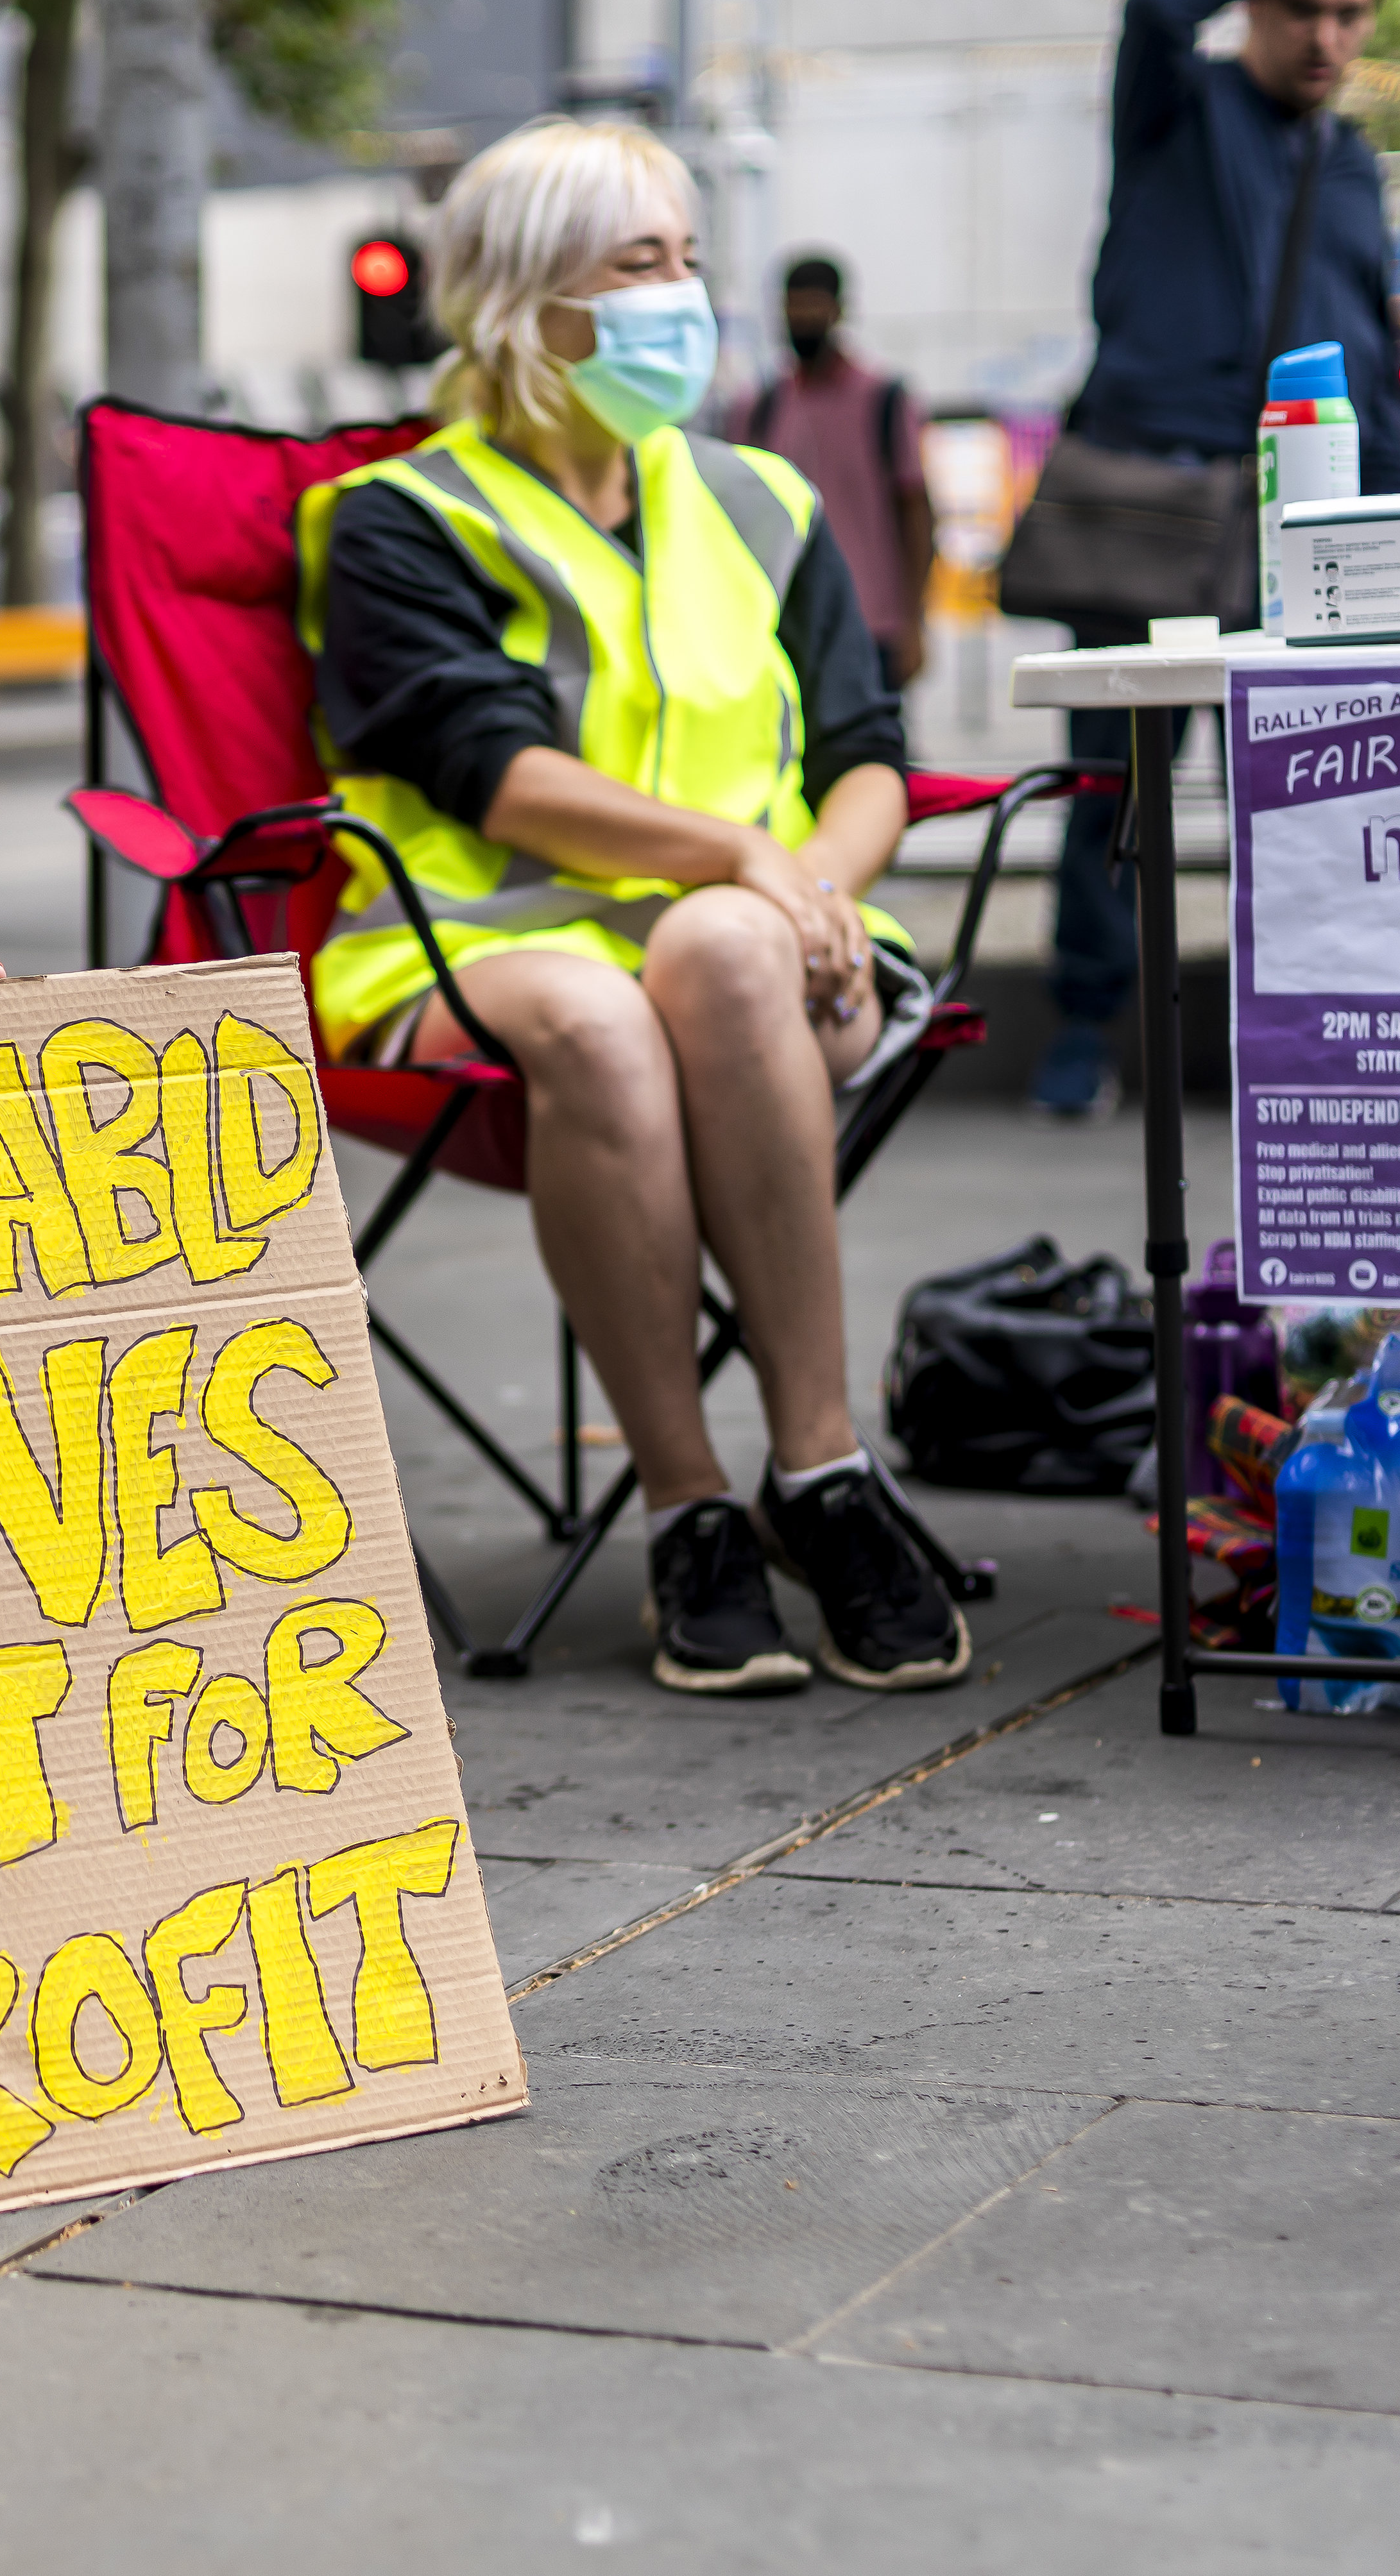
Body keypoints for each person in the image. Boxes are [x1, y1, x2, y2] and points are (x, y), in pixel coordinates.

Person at [300, 115, 968, 1700]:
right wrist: (739, 857)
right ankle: (683, 1508)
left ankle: (814, 1470)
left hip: (762, 945)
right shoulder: (405, 518)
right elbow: (492, 776)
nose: (686, 295)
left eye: (686, 259)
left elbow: (871, 760)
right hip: (482, 946)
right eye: (638, 264)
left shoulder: (763, 502)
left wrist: (801, 889)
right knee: (606, 1019)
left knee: (720, 949)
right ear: (530, 303)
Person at [1039, 0, 1400, 1125]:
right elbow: (1154, 4)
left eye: (1348, 15)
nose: (1325, 37)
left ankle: (1289, 1041)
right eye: (1302, 8)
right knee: (1113, 786)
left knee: (1294, 796)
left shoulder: (1346, 165)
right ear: (1255, 3)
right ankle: (1082, 1035)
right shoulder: (1176, 106)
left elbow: (1365, 346)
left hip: (1295, 522)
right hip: (1149, 495)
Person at [731, 254, 935, 691]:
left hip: (872, 624)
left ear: (840, 310)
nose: (802, 318)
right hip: (784, 624)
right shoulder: (760, 409)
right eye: (793, 307)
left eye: (813, 306)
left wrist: (915, 622)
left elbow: (915, 510)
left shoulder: (882, 400)